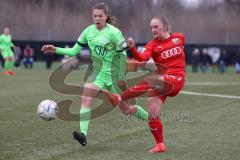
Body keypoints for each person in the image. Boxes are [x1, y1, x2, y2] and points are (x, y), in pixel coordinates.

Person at [41, 3, 148, 146]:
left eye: (100, 16)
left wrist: (122, 73)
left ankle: (152, 119)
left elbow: (122, 53)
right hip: (98, 75)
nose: (97, 18)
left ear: (106, 17)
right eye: (94, 16)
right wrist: (55, 49)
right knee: (86, 99)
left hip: (114, 76)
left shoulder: (114, 33)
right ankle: (83, 135)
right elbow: (73, 51)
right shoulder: (88, 32)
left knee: (127, 110)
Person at [106, 17, 186, 153]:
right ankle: (160, 144)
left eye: (156, 27)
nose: (153, 30)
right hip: (163, 81)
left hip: (176, 78)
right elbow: (142, 58)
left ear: (165, 26)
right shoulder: (152, 44)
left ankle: (119, 98)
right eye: (151, 27)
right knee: (152, 113)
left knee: (151, 80)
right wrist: (132, 48)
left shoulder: (179, 37)